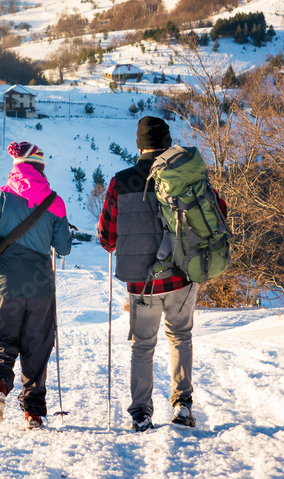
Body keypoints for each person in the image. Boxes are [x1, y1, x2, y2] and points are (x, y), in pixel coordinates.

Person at [98, 116, 225, 432]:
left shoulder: (121, 181)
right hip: (183, 276)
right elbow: (219, 212)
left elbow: (107, 239)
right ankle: (182, 406)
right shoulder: (188, 177)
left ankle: (141, 412)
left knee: (143, 346)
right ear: (168, 144)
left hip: (142, 283)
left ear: (139, 145)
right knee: (180, 337)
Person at [0, 141, 72, 430]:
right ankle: (33, 415)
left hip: (4, 286)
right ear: (40, 168)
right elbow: (63, 248)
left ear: (17, 168)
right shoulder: (55, 202)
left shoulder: (0, 197)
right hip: (40, 290)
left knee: (1, 343)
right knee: (36, 348)